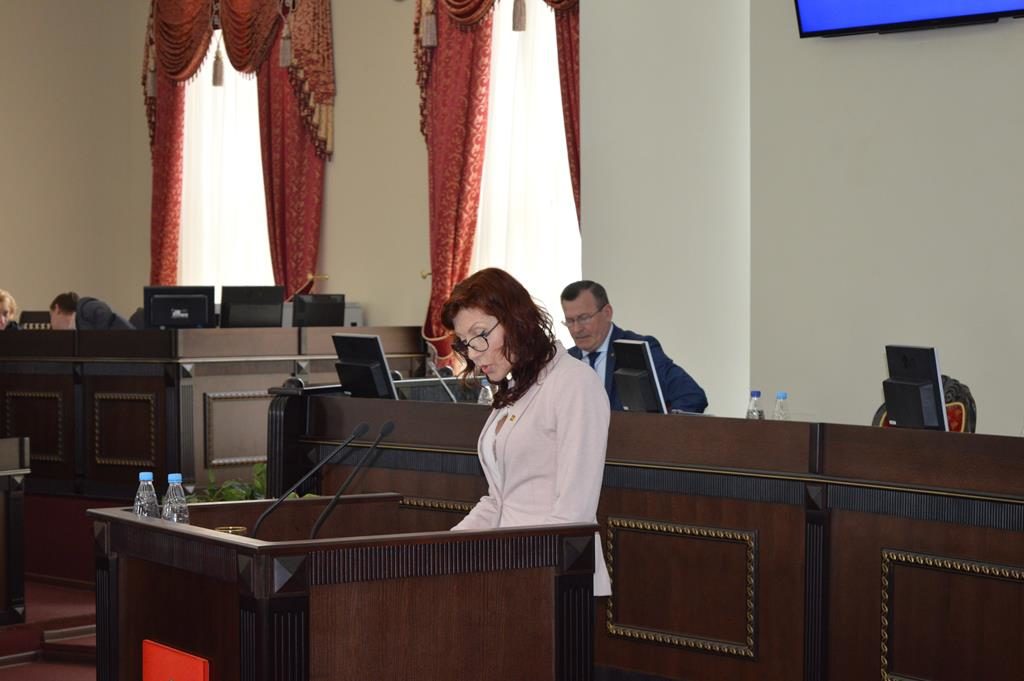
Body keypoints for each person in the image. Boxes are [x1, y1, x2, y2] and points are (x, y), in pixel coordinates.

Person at [442, 268, 612, 597]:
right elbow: (498, 501)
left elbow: (573, 514)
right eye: (465, 343)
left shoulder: (574, 383)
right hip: (510, 573)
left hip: (554, 580)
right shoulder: (515, 388)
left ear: (516, 320)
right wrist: (442, 548)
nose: (473, 353)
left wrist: (520, 577)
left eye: (480, 335)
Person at [560, 280, 708, 413]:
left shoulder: (637, 350)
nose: (576, 329)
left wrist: (660, 429)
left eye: (584, 318)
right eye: (570, 321)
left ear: (607, 313)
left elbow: (692, 396)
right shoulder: (565, 360)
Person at [49, 292, 134, 330]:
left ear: (57, 309)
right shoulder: (76, 325)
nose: (51, 324)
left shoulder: (84, 308)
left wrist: (96, 339)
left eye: (51, 315)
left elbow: (102, 309)